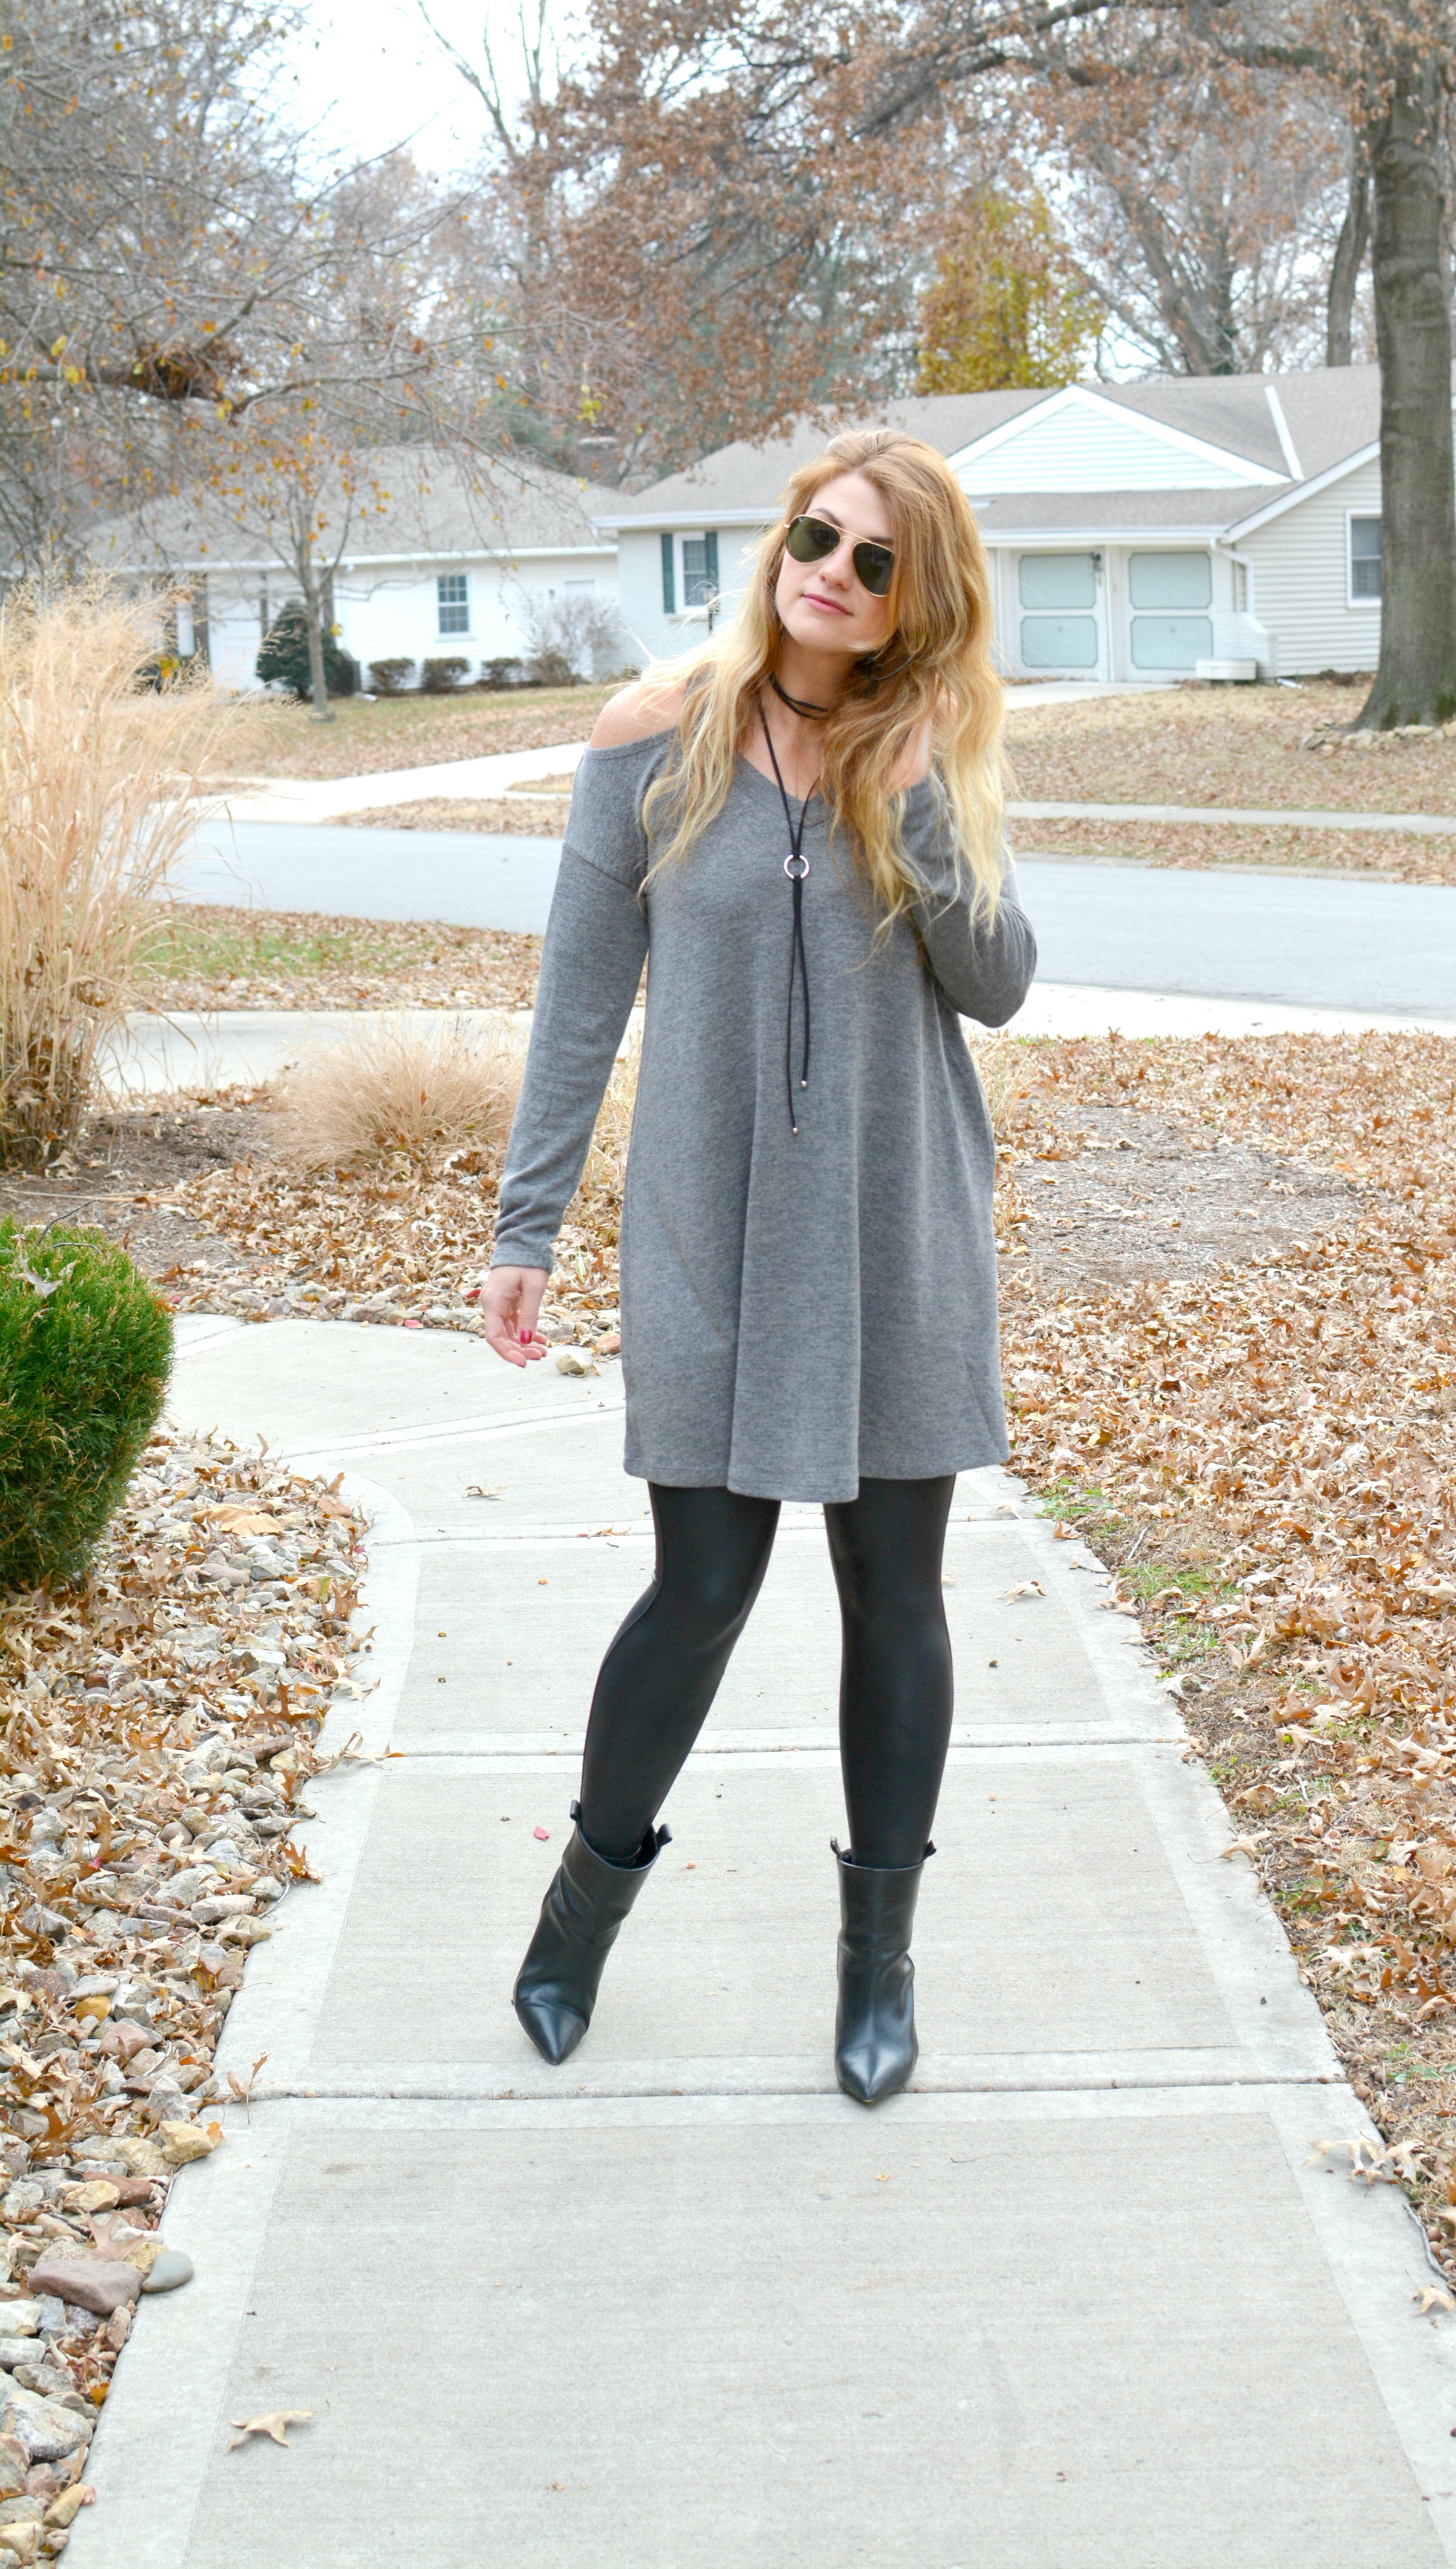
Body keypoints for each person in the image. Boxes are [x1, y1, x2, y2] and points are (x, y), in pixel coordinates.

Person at [481, 428, 1035, 2106]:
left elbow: (995, 981)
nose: (833, 572)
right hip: (709, 1237)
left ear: (912, 601)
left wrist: (918, 794)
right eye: (818, 534)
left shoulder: (925, 753)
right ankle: (578, 1912)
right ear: (778, 541)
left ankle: (879, 1971)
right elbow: (579, 1001)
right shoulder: (654, 740)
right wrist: (525, 1229)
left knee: (895, 1596)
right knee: (703, 1590)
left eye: (877, 560)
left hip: (894, 1232)